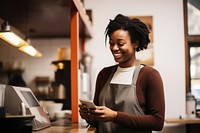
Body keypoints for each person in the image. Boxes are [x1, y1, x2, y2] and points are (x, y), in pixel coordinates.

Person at [79, 14, 165, 133]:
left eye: (120, 44)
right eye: (111, 43)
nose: (114, 48)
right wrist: (89, 116)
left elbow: (157, 122)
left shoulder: (150, 75)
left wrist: (115, 116)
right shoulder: (104, 74)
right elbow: (97, 121)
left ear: (135, 43)